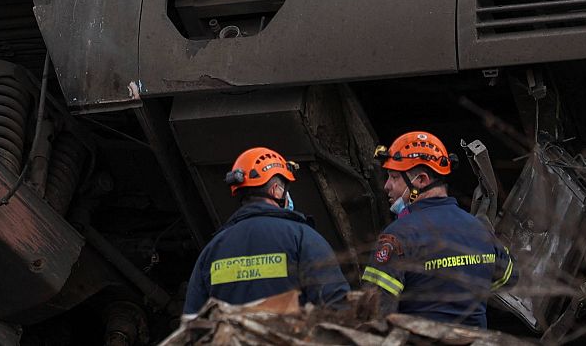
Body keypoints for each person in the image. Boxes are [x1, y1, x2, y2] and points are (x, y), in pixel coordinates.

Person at [361, 131, 514, 328]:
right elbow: (509, 279)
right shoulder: (480, 229)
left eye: (393, 177)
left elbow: (372, 312)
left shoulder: (397, 236)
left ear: (421, 180)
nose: (386, 186)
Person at [182, 147, 349, 317]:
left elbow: (193, 321)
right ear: (275, 190)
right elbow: (335, 306)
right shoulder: (303, 238)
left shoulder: (212, 250)